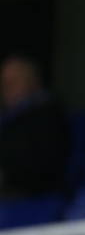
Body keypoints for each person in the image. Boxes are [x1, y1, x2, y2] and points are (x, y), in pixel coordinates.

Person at [0, 55, 70, 199]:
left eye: (13, 82)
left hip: (30, 195)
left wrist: (5, 174)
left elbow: (46, 168)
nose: (6, 89)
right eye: (4, 83)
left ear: (33, 82)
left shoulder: (48, 115)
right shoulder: (8, 116)